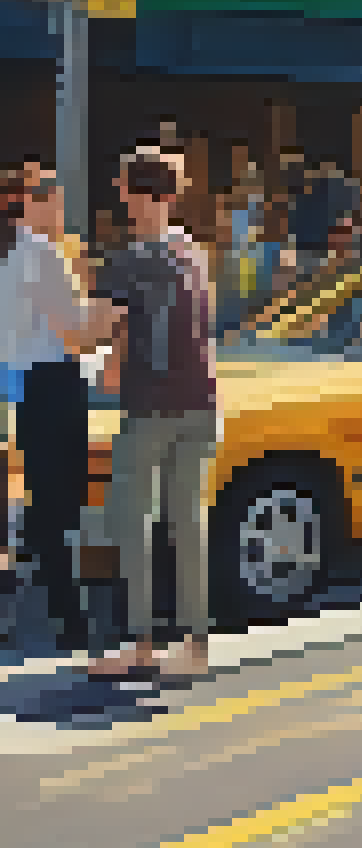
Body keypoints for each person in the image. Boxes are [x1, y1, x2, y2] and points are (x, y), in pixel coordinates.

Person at [87, 147, 222, 680]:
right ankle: (194, 644)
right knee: (188, 521)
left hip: (149, 403)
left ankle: (140, 643)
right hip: (200, 398)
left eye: (122, 187)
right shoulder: (194, 252)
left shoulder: (125, 261)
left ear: (134, 194)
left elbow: (94, 330)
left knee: (133, 521)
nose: (119, 196)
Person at [2, 163, 116, 654]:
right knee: (57, 507)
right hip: (54, 383)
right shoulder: (41, 252)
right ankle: (70, 620)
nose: (61, 205)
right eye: (52, 194)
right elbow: (75, 328)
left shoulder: (12, 253)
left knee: (40, 502)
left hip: (23, 384)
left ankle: (43, 601)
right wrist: (114, 314)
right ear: (32, 201)